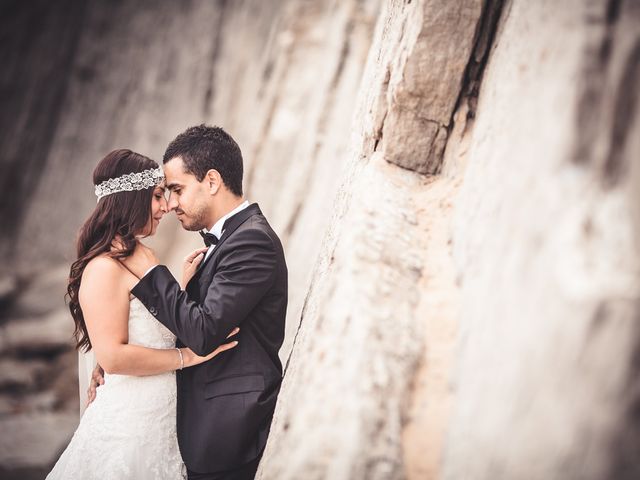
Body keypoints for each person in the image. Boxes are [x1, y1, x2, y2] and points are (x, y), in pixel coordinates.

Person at [91, 125, 288, 480]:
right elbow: (186, 323)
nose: (170, 204)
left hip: (230, 431)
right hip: (191, 428)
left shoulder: (251, 242)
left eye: (176, 190)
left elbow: (203, 331)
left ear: (211, 181)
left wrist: (152, 271)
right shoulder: (228, 241)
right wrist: (113, 361)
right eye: (163, 194)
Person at [47, 149, 239, 480]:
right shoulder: (104, 268)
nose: (165, 206)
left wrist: (182, 286)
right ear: (129, 200)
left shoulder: (136, 261)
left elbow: (143, 324)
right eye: (156, 196)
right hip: (128, 430)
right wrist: (187, 357)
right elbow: (114, 356)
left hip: (161, 425)